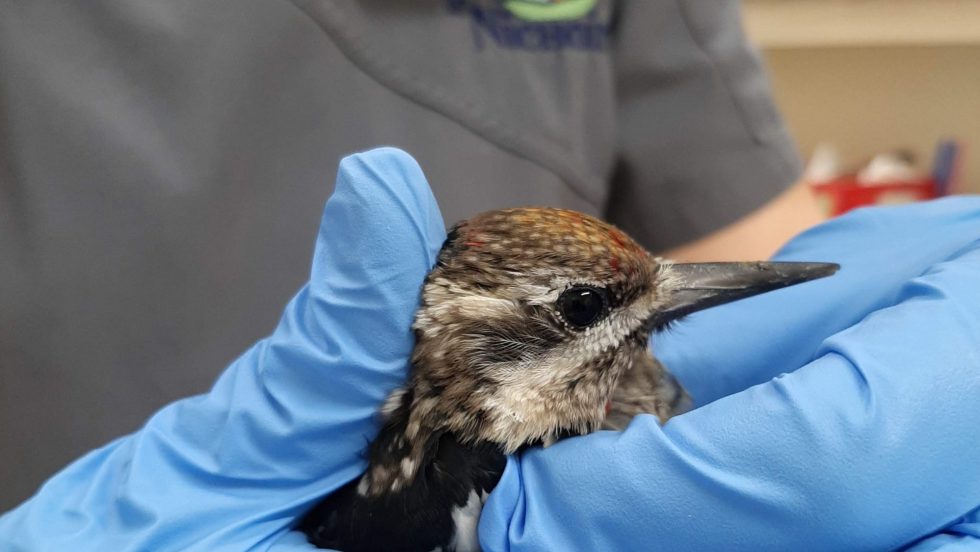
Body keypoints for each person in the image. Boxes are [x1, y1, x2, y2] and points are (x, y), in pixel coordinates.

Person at [2, 1, 977, 549]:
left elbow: (754, 218)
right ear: (482, 341)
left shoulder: (626, 382)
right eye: (587, 306)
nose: (681, 291)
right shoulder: (435, 470)